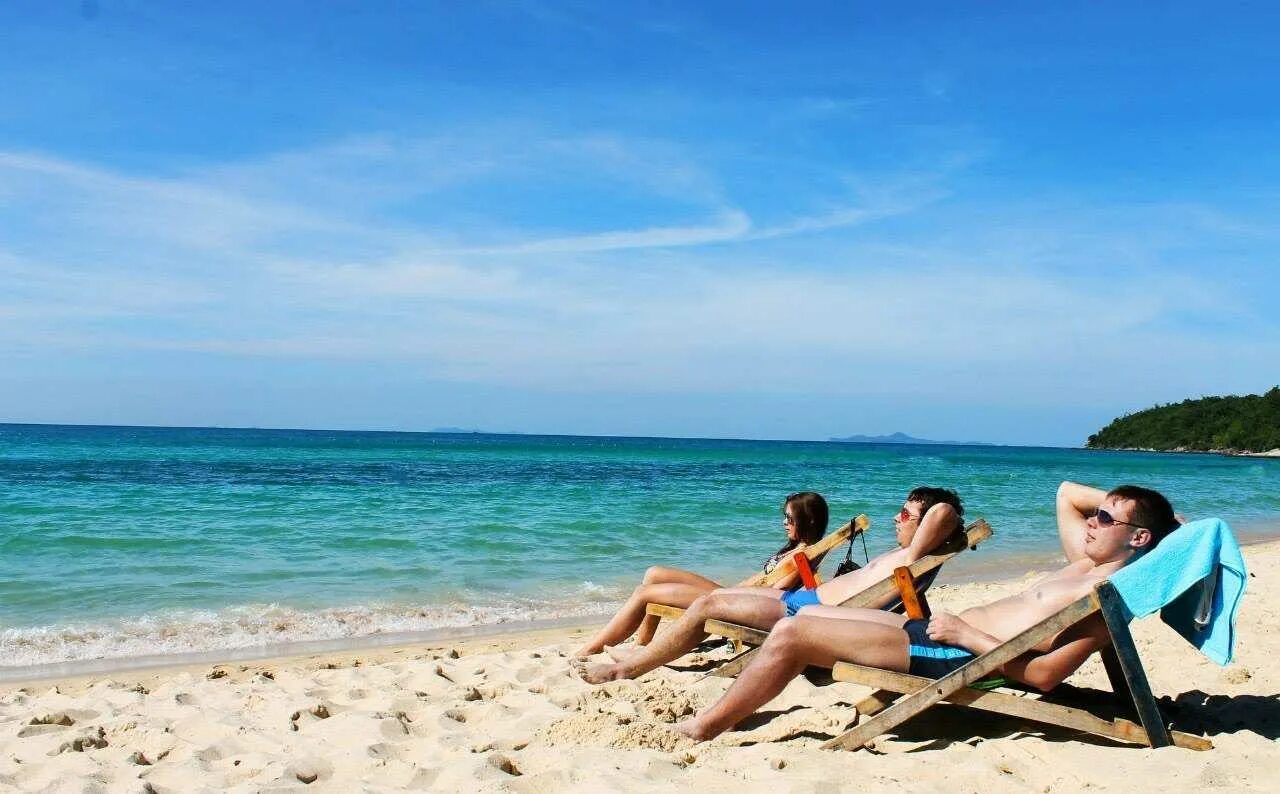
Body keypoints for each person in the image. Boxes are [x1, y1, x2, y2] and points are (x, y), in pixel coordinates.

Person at [670, 481, 1180, 742]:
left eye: (1106, 517)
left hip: (955, 654)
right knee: (796, 619)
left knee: (790, 637)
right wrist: (1166, 521)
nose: (1092, 520)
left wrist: (963, 631)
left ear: (1138, 538)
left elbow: (1044, 675)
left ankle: (705, 727)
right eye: (1098, 513)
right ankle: (721, 716)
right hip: (938, 634)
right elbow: (1067, 494)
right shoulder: (1083, 564)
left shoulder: (1108, 594)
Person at [577, 486, 965, 682]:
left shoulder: (912, 556)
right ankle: (637, 654)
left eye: (905, 513)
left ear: (927, 524)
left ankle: (625, 670)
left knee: (708, 605)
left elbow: (944, 512)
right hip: (798, 601)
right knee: (714, 596)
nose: (896, 519)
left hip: (804, 611)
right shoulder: (904, 555)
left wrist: (933, 508)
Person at [573, 491, 829, 658]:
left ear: (807, 522)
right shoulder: (797, 550)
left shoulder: (801, 557)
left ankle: (591, 649)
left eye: (789, 518)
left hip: (734, 601)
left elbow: (774, 596)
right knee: (654, 574)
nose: (784, 523)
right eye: (784, 517)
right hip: (731, 592)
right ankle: (643, 645)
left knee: (644, 594)